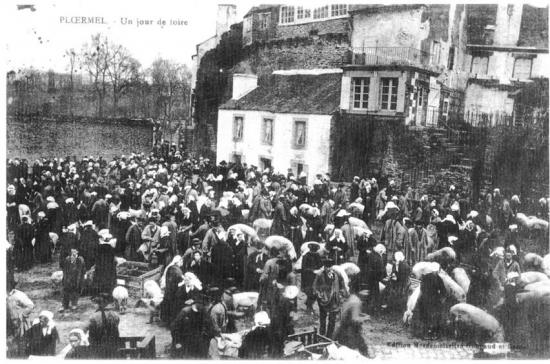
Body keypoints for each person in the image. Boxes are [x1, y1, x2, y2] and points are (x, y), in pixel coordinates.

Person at [313, 266, 347, 338]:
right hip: (322, 300)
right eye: (326, 267)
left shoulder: (337, 274)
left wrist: (341, 295)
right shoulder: (319, 275)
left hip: (334, 300)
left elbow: (342, 286)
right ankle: (322, 335)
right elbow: (315, 287)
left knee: (332, 319)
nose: (328, 269)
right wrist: (318, 294)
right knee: (323, 317)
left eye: (329, 266)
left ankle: (329, 336)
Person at [87, 294, 121, 359]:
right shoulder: (115, 314)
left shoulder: (93, 317)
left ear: (97, 304)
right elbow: (116, 325)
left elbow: (89, 327)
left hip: (98, 346)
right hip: (113, 345)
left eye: (94, 303)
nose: (93, 305)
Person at [269, 285, 297, 358]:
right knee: (282, 332)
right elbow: (286, 313)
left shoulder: (282, 297)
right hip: (281, 318)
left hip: (278, 317)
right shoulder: (285, 301)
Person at [60, 247, 86, 312]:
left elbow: (83, 270)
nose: (73, 253)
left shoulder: (80, 260)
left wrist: (82, 278)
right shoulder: (67, 259)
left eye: (75, 251)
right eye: (72, 252)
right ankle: (64, 305)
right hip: (68, 278)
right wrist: (65, 278)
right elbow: (65, 270)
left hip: (77, 278)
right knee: (65, 291)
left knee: (75, 291)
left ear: (77, 252)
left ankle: (74, 304)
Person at [160, 255, 184, 323]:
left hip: (169, 291)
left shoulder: (171, 268)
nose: (182, 262)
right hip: (173, 292)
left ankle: (166, 320)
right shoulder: (176, 270)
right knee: (173, 306)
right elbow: (178, 280)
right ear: (177, 261)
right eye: (181, 261)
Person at [93, 230, 117, 297]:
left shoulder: (99, 248)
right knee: (109, 279)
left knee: (100, 278)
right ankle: (108, 293)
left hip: (100, 267)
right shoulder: (111, 248)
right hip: (109, 267)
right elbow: (113, 260)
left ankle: (99, 292)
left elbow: (96, 257)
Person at [301, 243, 323, 313]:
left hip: (316, 276)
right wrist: (312, 270)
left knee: (315, 292)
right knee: (310, 291)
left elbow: (320, 264)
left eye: (315, 251)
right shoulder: (306, 256)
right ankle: (309, 307)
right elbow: (304, 268)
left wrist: (320, 269)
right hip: (308, 277)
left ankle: (308, 303)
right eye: (313, 251)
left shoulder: (317, 255)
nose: (314, 252)